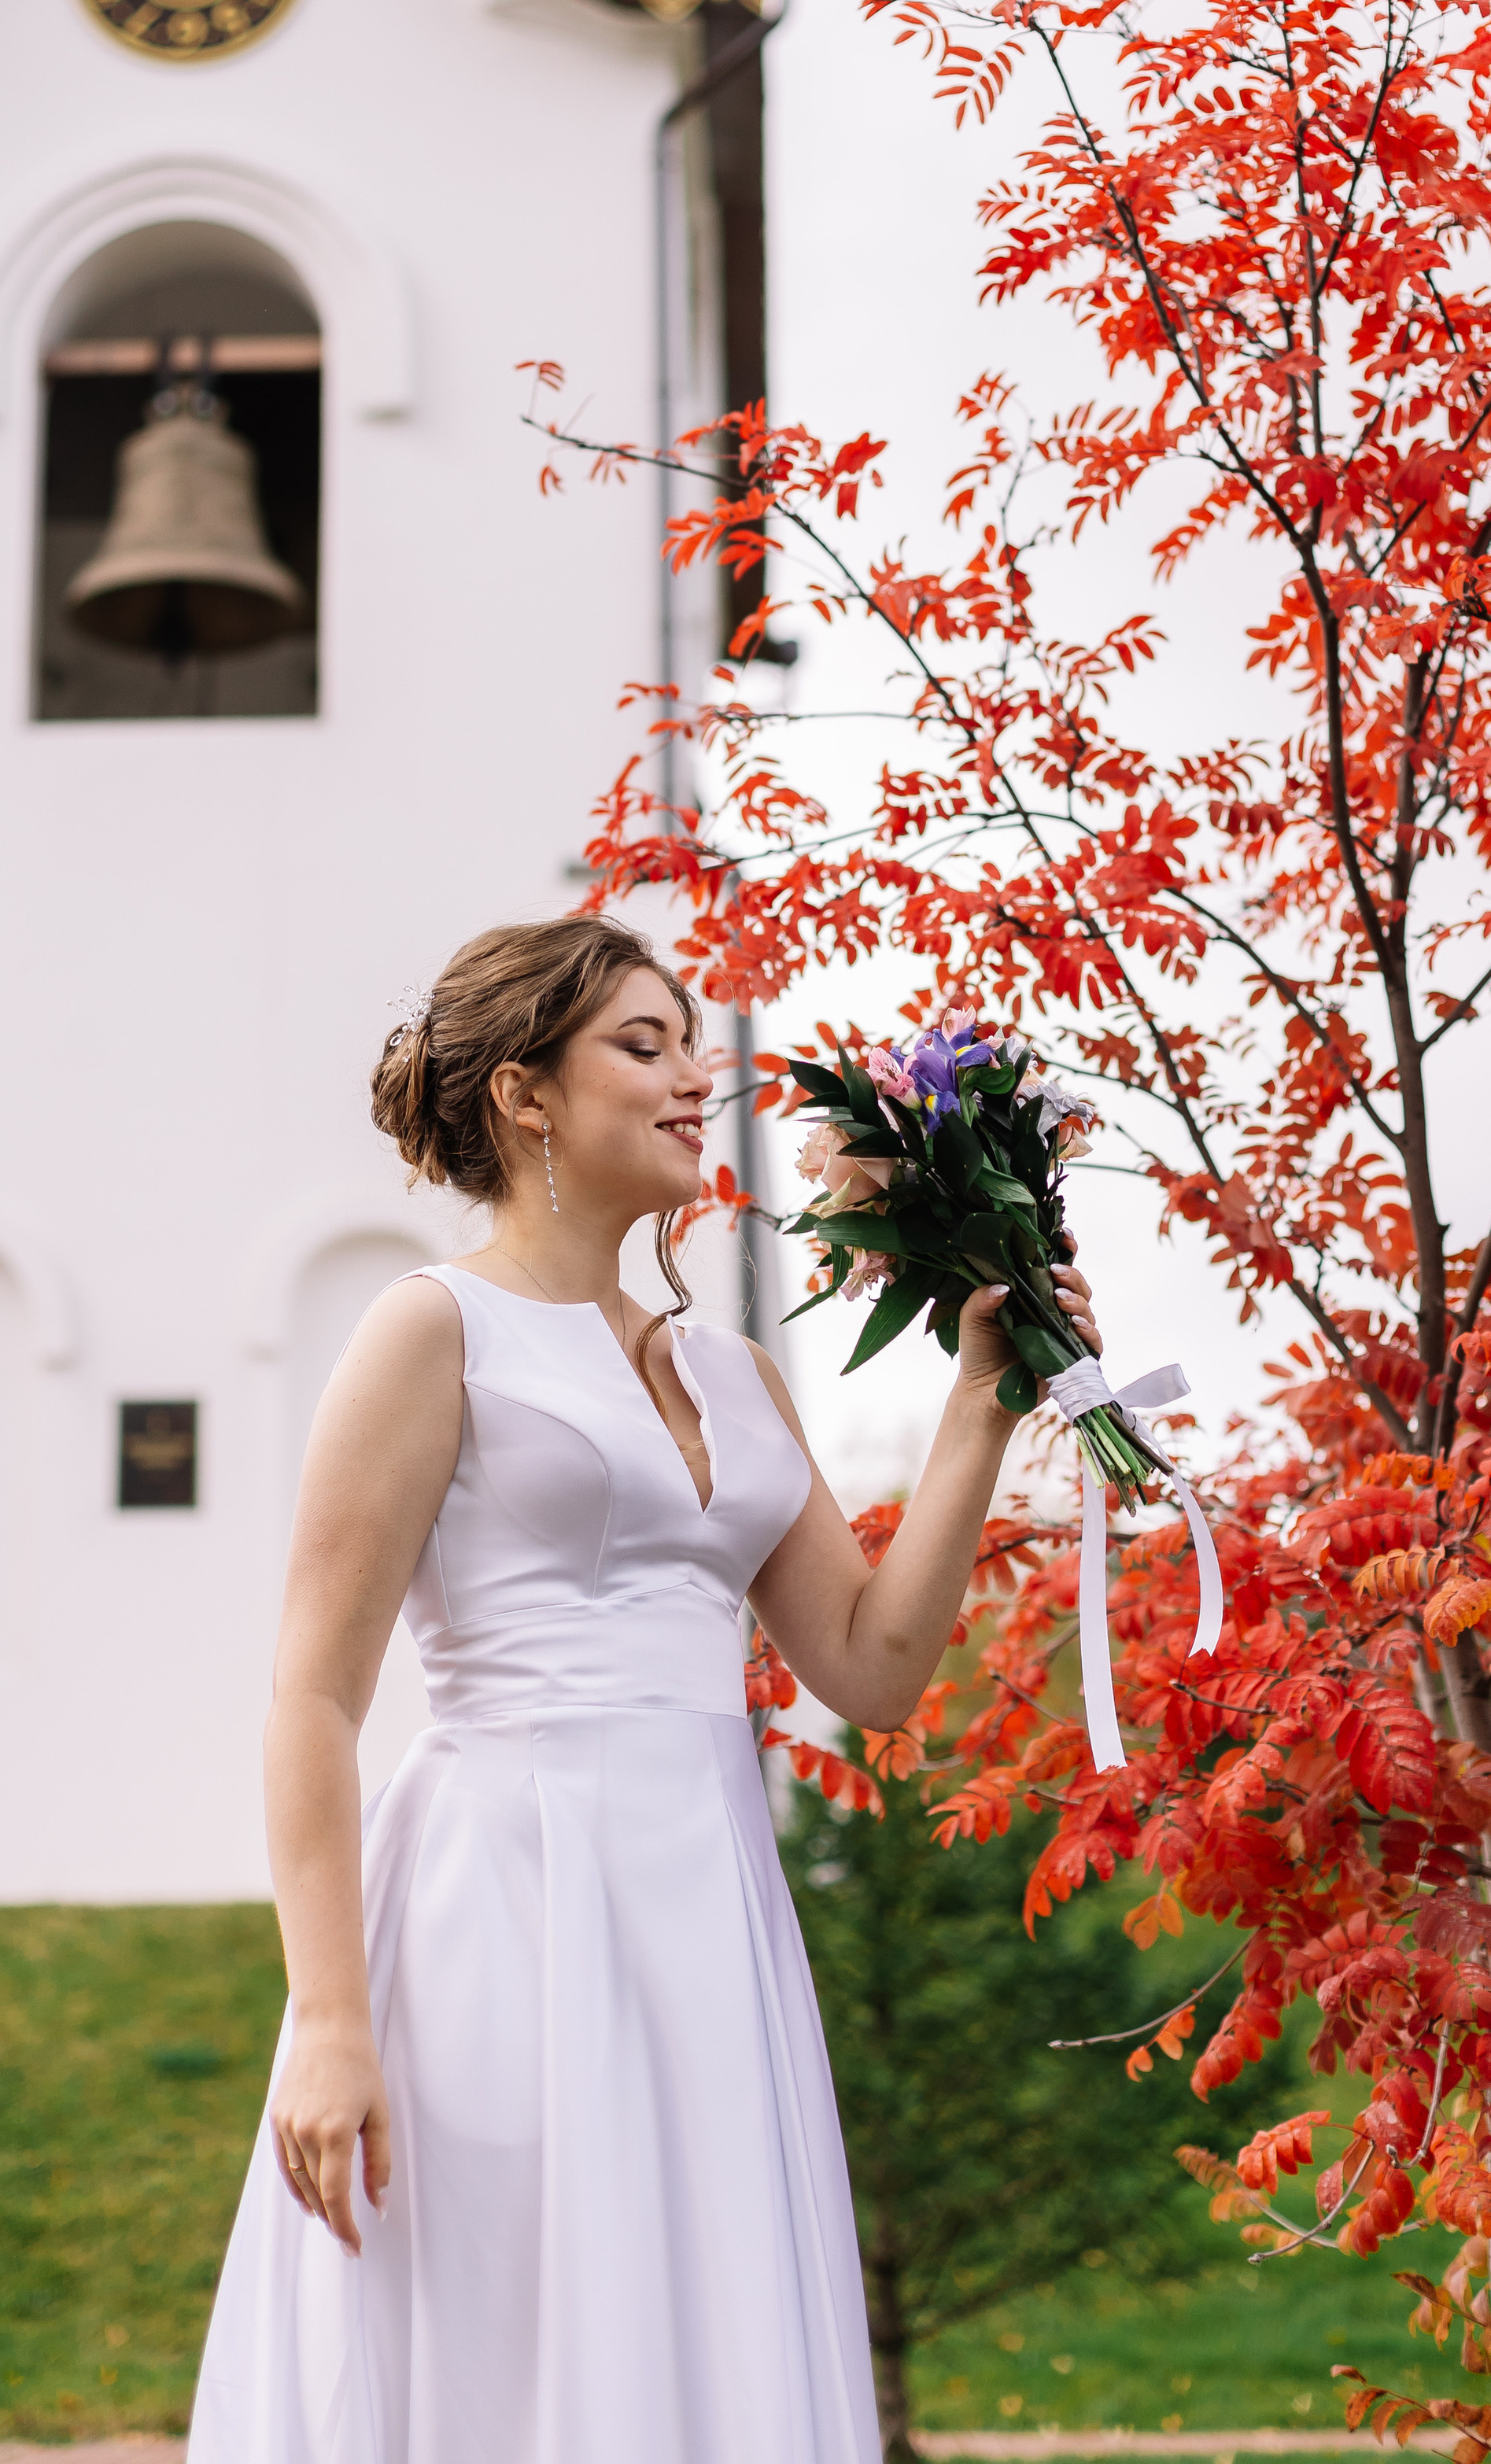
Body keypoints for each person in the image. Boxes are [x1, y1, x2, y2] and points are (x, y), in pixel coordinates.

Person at [188, 913, 1103, 2464]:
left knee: (695, 2339)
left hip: (709, 1917)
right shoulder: (433, 1330)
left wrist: (976, 1400)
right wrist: (329, 2016)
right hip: (501, 1907)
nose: (697, 1079)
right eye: (644, 1045)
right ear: (524, 1095)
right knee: (506, 2343)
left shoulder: (737, 1375)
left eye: (692, 1044)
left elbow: (872, 1668)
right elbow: (312, 1700)